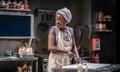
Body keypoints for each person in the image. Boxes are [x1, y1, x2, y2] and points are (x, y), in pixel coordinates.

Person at [48, 7, 80, 72]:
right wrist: (66, 52)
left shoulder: (70, 31)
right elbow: (50, 47)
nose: (57, 22)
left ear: (66, 20)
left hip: (66, 63)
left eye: (59, 20)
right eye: (56, 20)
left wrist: (78, 58)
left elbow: (74, 47)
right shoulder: (53, 30)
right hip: (55, 64)